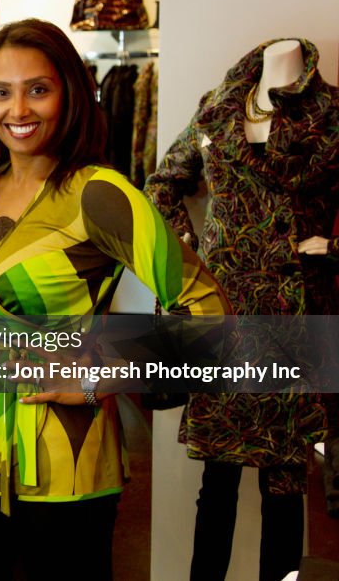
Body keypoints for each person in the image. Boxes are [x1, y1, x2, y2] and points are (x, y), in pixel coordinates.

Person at [0, 18, 230, 580]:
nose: (19, 110)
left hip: (69, 465)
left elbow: (207, 311)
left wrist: (101, 374)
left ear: (69, 93)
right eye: (0, 92)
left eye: (38, 89)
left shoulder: (100, 194)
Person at [145, 38, 339, 580]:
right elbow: (162, 187)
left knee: (284, 482)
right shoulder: (222, 104)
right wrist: (190, 259)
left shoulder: (333, 116)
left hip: (294, 316)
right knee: (219, 477)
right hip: (224, 308)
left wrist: (329, 250)